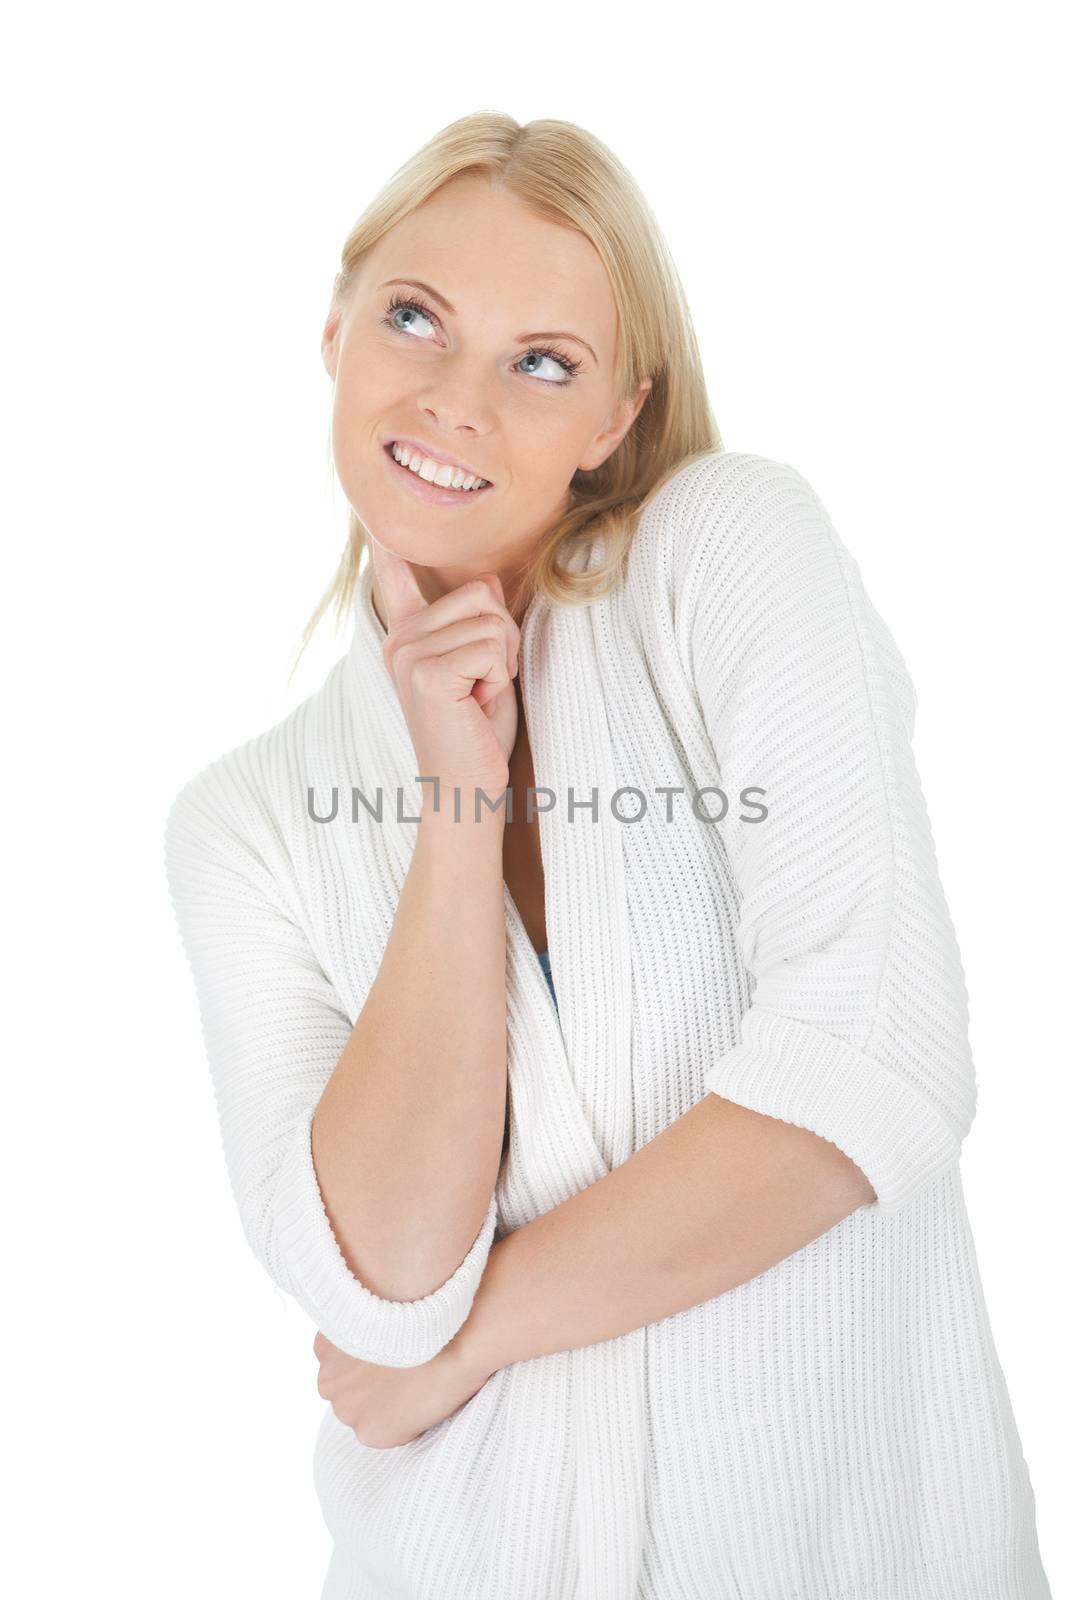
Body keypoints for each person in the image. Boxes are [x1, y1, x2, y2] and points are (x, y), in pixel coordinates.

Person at [163, 111, 1052, 1599]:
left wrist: (480, 1335)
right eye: (414, 318)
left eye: (543, 362)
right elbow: (382, 1289)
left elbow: (878, 1062)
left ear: (618, 418)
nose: (456, 398)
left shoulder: (725, 557)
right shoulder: (244, 822)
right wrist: (458, 796)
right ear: (334, 331)